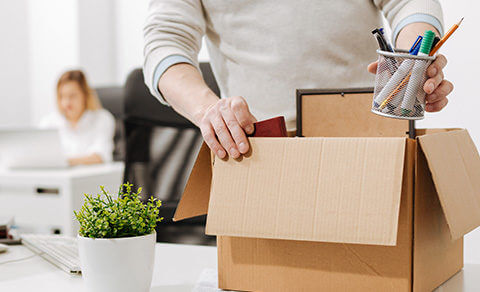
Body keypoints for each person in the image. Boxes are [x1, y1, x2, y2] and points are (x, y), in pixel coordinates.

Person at [143, 0, 452, 159]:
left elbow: (410, 3)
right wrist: (206, 110)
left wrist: (412, 65)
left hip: (369, 142)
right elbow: (165, 42)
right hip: (261, 149)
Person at [40, 70, 115, 166]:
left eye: (72, 96)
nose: (66, 102)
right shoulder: (49, 122)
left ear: (85, 95)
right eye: (62, 96)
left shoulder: (103, 119)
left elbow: (100, 156)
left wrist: (63, 162)